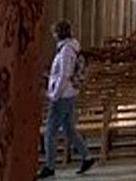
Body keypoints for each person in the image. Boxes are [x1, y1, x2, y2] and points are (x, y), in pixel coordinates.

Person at [37, 21, 95, 179]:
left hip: (62, 96)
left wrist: (54, 94)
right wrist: (50, 77)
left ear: (59, 33)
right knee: (69, 129)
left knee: (50, 132)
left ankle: (49, 166)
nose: (53, 35)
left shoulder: (65, 51)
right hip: (69, 93)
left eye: (54, 33)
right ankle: (87, 157)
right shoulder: (70, 48)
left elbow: (64, 74)